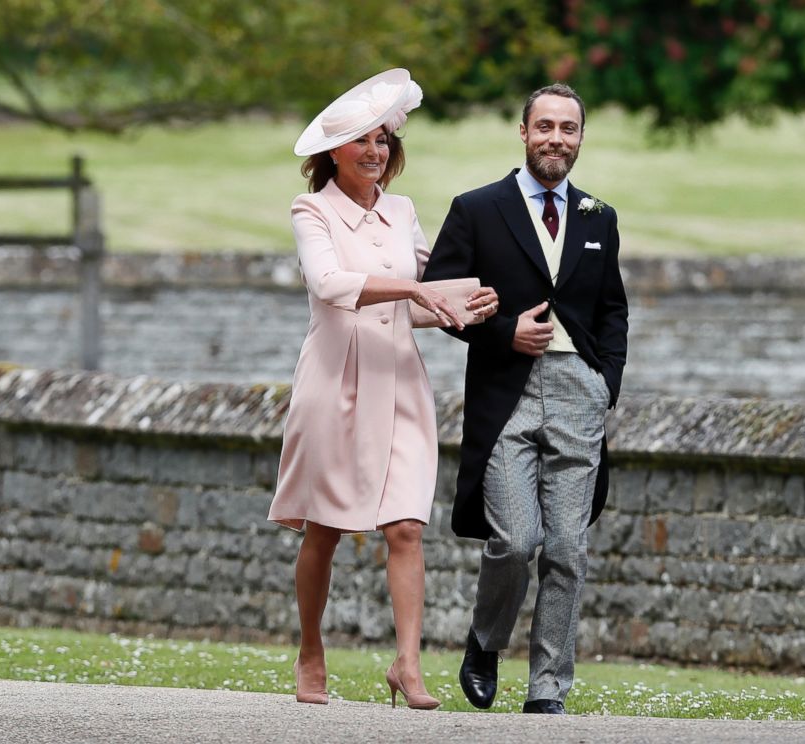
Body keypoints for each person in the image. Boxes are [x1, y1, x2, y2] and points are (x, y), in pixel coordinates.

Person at [266, 68, 499, 710]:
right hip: (334, 382)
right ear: (332, 153)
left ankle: (409, 666)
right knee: (325, 530)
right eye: (362, 142)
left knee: (406, 528)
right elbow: (330, 282)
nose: (375, 152)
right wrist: (417, 289)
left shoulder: (402, 212)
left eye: (384, 142)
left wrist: (475, 303)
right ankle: (311, 651)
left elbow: (422, 300)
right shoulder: (311, 208)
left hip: (399, 381)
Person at [422, 83, 628, 715]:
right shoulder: (477, 209)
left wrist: (605, 383)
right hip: (505, 393)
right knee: (514, 540)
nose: (555, 139)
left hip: (578, 392)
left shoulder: (599, 217)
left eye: (568, 129)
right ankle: (485, 643)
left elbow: (613, 310)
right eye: (545, 127)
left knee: (568, 547)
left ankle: (547, 689)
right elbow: (435, 298)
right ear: (523, 132)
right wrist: (503, 329)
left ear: (581, 138)